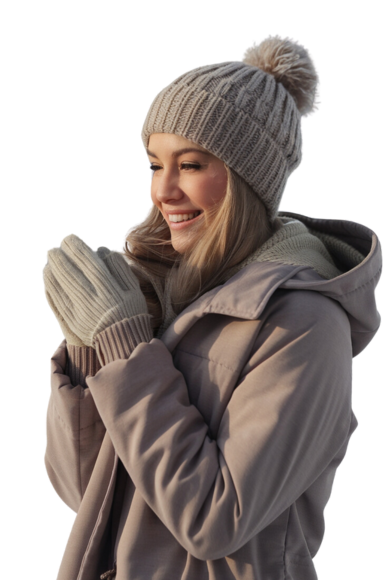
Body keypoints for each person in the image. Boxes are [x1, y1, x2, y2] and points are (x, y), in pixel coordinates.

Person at [42, 34, 382, 580]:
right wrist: (92, 355)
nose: (162, 191)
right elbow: (88, 490)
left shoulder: (303, 324)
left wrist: (127, 355)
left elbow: (215, 520)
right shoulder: (161, 299)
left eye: (191, 164)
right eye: (155, 165)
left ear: (250, 179)